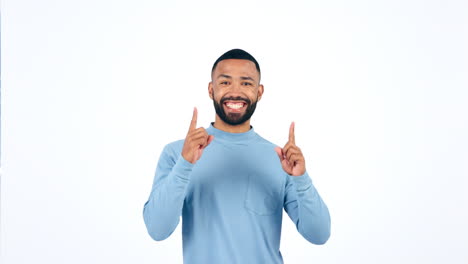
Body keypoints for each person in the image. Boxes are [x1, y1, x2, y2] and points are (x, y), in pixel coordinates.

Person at [143, 49, 331, 263]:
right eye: (225, 82)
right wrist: (185, 165)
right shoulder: (178, 153)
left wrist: (302, 179)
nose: (235, 91)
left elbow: (319, 234)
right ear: (211, 89)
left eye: (246, 83)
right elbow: (157, 230)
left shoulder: (281, 160)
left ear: (259, 92)